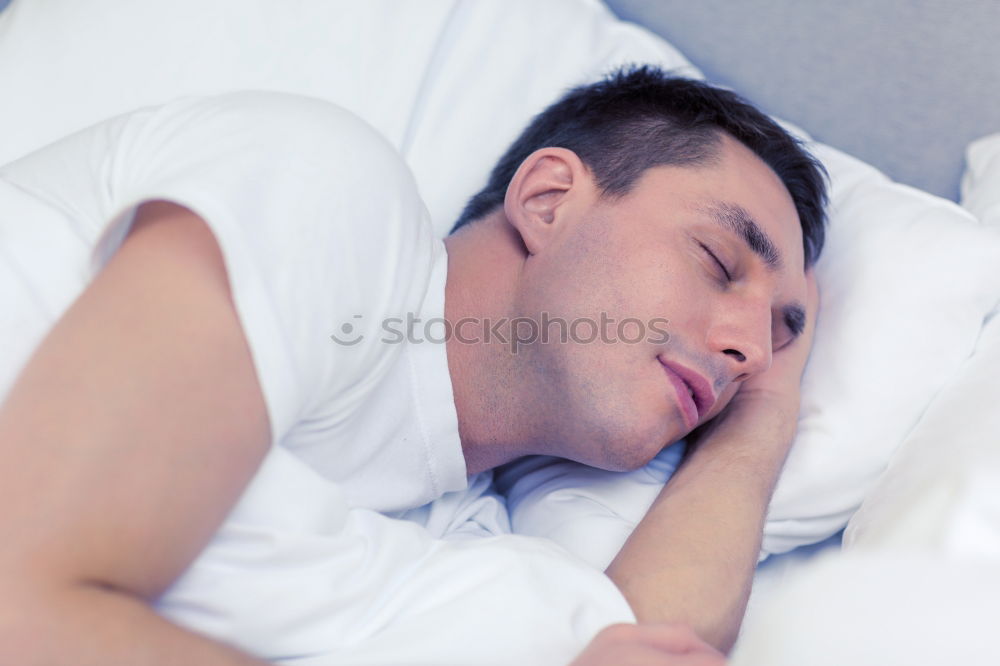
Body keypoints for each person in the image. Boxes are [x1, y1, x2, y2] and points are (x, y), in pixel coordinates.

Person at [0, 65, 825, 665]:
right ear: (548, 201)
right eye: (718, 262)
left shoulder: (453, 537)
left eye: (780, 335)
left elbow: (648, 642)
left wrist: (765, 414)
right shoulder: (328, 191)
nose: (750, 349)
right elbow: (21, 610)